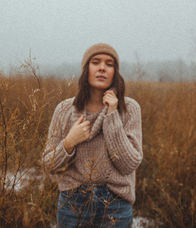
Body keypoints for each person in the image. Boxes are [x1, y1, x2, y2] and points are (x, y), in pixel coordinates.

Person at [42, 43, 143, 228]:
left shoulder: (129, 109)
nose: (102, 68)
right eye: (96, 62)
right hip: (73, 203)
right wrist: (69, 142)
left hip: (116, 204)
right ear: (86, 69)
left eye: (109, 64)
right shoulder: (64, 110)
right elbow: (48, 164)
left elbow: (129, 164)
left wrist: (112, 115)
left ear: (115, 72)